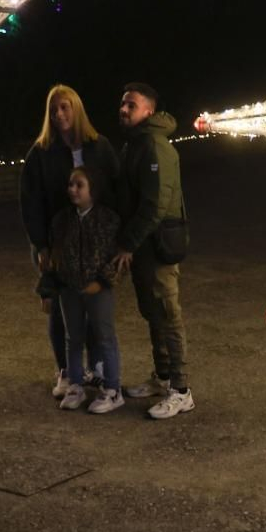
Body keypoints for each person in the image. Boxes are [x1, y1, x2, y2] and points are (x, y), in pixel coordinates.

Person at [20, 84, 119, 398]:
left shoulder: (99, 146)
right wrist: (41, 245)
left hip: (94, 242)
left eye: (65, 107)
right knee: (61, 309)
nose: (59, 114)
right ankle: (66, 370)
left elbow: (115, 191)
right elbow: (30, 202)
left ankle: (98, 370)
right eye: (54, 110)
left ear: (77, 109)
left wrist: (115, 238)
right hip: (57, 242)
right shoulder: (41, 152)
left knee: (94, 308)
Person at [112, 82, 192, 419]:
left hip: (158, 244)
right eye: (122, 104)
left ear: (149, 110)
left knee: (168, 314)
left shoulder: (155, 146)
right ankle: (162, 377)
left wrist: (127, 243)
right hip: (145, 245)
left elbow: (155, 205)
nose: (123, 109)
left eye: (131, 105)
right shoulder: (136, 143)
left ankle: (181, 390)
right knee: (153, 312)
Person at [47, 167, 124, 413]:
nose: (73, 189)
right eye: (71, 184)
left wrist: (102, 281)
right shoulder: (62, 220)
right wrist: (50, 287)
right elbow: (55, 256)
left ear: (93, 189)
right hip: (69, 288)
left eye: (79, 185)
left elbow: (115, 257)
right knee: (73, 338)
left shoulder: (107, 219)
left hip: (98, 288)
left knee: (105, 336)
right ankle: (76, 385)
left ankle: (112, 389)